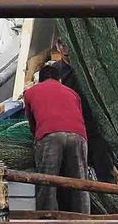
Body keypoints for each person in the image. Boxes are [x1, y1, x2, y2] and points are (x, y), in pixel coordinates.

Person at [23, 61, 91, 214]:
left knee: (47, 183)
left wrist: (38, 140)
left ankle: (48, 223)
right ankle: (84, 222)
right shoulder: (72, 93)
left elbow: (32, 124)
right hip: (78, 136)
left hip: (50, 135)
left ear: (40, 80)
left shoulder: (31, 92)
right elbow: (79, 117)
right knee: (80, 184)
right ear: (59, 80)